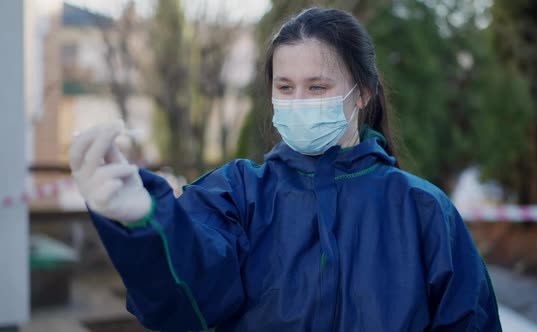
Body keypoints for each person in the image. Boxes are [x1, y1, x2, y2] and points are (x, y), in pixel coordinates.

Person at [69, 7, 502, 332]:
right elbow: (187, 302)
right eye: (285, 87)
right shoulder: (238, 194)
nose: (299, 101)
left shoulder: (423, 211)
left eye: (318, 87)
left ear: (362, 93)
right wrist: (145, 224)